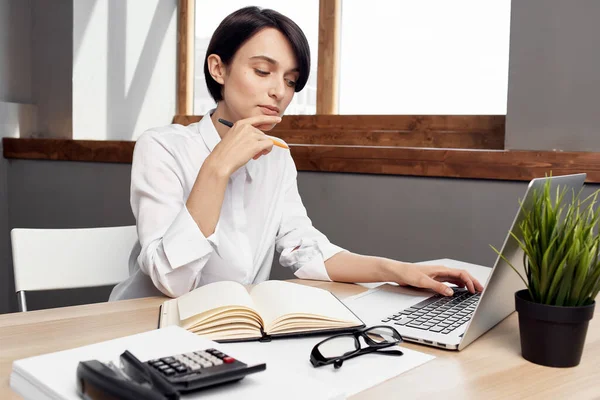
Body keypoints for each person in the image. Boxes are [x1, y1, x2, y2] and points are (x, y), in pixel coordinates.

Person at [109, 6, 483, 301]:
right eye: (262, 71)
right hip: (146, 329)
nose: (280, 92)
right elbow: (170, 281)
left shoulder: (277, 158)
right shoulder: (162, 146)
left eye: (290, 80)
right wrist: (219, 165)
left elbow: (306, 249)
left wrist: (399, 271)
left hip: (232, 331)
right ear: (218, 68)